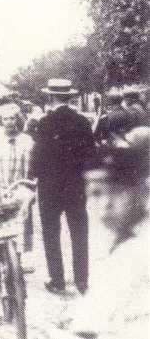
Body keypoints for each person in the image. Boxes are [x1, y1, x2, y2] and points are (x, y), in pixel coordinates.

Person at [52, 127, 149, 338]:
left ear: (142, 191)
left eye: (117, 192)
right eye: (95, 194)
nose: (105, 204)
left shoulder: (138, 249)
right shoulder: (125, 241)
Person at [31, 78, 98, 295]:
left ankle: (58, 280)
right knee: (79, 231)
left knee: (51, 233)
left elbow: (38, 156)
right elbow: (91, 156)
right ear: (70, 97)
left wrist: (34, 176)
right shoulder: (82, 122)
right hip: (75, 185)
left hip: (49, 187)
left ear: (50, 97)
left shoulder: (44, 123)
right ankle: (82, 281)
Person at [0, 102, 35, 265]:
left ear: (18, 120)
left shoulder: (26, 140)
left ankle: (19, 259)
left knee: (21, 225)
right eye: (5, 119)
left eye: (12, 119)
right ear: (0, 121)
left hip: (20, 188)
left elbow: (33, 165)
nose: (9, 122)